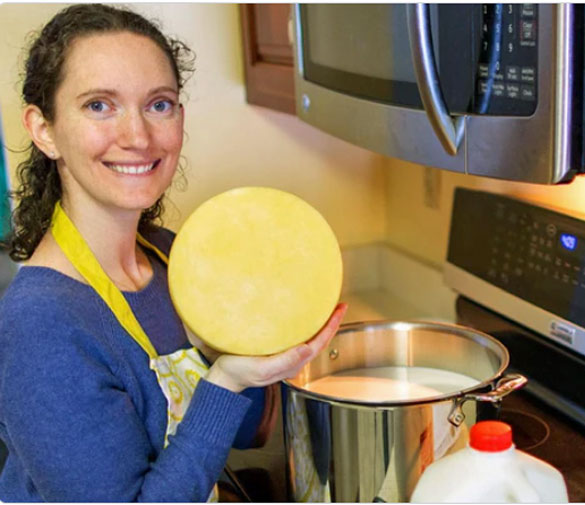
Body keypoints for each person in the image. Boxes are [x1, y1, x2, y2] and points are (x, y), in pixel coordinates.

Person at [0, 4, 347, 502]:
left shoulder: (169, 257)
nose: (138, 136)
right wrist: (224, 381)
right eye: (99, 105)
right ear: (44, 129)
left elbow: (251, 432)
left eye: (158, 104)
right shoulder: (43, 325)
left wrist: (258, 339)